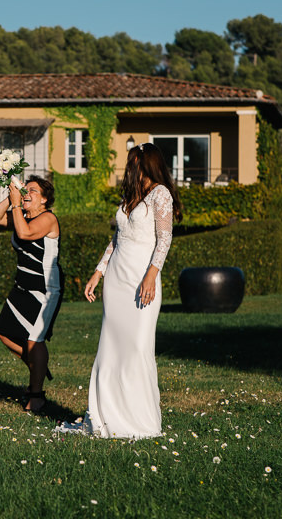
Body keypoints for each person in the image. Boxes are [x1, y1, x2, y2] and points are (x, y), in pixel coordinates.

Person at [56, 143, 182, 439]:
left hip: (142, 277)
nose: (130, 169)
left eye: (135, 164)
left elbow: (164, 239)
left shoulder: (160, 194)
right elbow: (117, 237)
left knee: (137, 347)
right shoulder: (130, 196)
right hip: (117, 278)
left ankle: (139, 420)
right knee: (111, 349)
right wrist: (98, 272)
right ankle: (106, 415)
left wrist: (151, 276)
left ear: (148, 164)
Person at [0, 175, 62, 412]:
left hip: (45, 289)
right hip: (21, 287)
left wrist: (17, 203)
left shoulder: (47, 218)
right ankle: (37, 364)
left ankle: (36, 394)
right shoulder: (22, 215)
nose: (27, 193)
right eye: (25, 189)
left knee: (34, 339)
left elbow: (26, 234)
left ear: (45, 199)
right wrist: (12, 197)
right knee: (4, 332)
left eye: (33, 191)